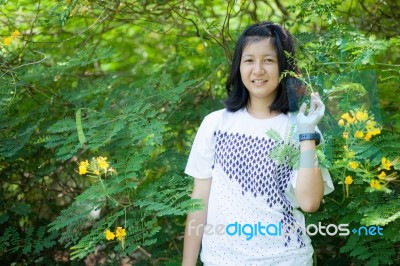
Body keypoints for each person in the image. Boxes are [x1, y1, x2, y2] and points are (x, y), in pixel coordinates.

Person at [182, 21, 334, 266]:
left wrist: (307, 134)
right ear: (238, 67)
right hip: (221, 260)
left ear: (284, 67)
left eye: (269, 60)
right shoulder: (214, 124)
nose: (258, 70)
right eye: (249, 60)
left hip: (287, 259)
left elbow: (310, 202)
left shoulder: (303, 126)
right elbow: (199, 200)